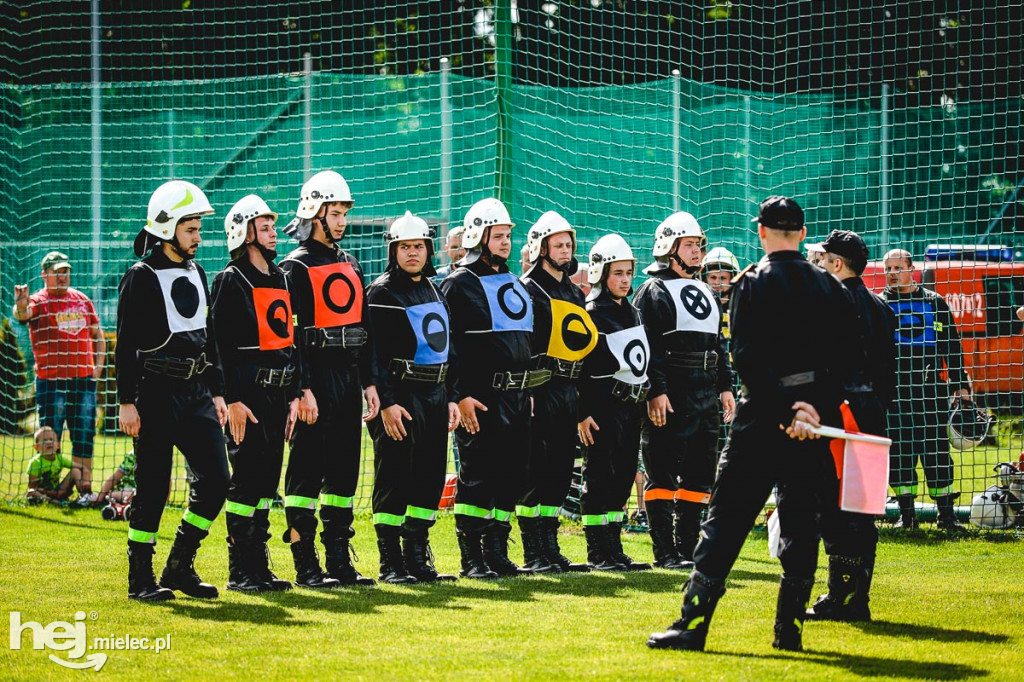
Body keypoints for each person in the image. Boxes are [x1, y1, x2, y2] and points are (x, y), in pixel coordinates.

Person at [647, 195, 863, 653]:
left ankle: (693, 625)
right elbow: (848, 361)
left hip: (761, 423)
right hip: (811, 428)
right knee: (802, 523)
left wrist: (788, 410)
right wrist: (812, 411)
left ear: (760, 232)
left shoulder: (751, 284)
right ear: (803, 234)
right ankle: (790, 630)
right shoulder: (830, 288)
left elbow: (747, 360)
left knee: (724, 523)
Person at [117, 180, 230, 602]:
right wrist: (126, 402)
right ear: (166, 228)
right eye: (191, 229)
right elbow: (125, 345)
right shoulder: (141, 277)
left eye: (199, 229)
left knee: (218, 480)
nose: (199, 237)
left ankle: (179, 565)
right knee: (152, 489)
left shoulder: (198, 272)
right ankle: (140, 579)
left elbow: (209, 338)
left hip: (196, 392)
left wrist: (217, 393)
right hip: (154, 394)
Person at [279, 170, 380, 588]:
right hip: (314, 379)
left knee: (343, 473)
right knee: (305, 472)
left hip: (347, 378)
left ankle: (339, 560)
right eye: (333, 213)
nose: (340, 221)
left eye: (343, 213)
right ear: (312, 213)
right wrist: (301, 389)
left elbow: (365, 328)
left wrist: (370, 384)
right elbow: (290, 336)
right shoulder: (293, 266)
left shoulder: (350, 263)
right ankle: (306, 564)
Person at [441, 197, 542, 579]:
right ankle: (472, 557)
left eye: (507, 236)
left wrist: (527, 388)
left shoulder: (513, 281)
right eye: (497, 236)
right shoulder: (458, 282)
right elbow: (451, 345)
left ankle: (497, 552)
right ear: (477, 236)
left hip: (517, 396)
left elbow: (521, 339)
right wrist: (460, 394)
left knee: (511, 476)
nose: (505, 243)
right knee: (478, 476)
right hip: (480, 397)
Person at [210, 194, 303, 593]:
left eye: (270, 227)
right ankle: (239, 568)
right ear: (244, 234)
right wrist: (230, 399)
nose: (272, 233)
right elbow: (218, 345)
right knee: (245, 482)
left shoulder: (280, 277)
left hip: (278, 396)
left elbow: (291, 339)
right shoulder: (231, 280)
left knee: (267, 483)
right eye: (263, 227)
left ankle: (259, 565)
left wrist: (295, 393)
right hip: (246, 397)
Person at [633, 212, 735, 570]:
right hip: (670, 392)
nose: (697, 252)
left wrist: (725, 386)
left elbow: (717, 344)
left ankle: (689, 547)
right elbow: (647, 348)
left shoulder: (707, 290)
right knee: (661, 470)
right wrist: (656, 391)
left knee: (699, 471)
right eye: (689, 245)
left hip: (704, 394)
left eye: (698, 245)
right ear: (668, 248)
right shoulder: (652, 291)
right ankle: (664, 550)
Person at [366, 211, 461, 583]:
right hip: (399, 397)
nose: (412, 253)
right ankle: (391, 562)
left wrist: (452, 396)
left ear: (428, 249)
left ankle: (417, 558)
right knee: (394, 478)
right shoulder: (380, 292)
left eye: (418, 246)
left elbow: (450, 349)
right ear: (393, 250)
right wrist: (387, 404)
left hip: (435, 396)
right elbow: (371, 354)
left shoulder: (436, 290)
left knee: (429, 477)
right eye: (404, 247)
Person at [808, 229, 896, 621]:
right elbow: (889, 374)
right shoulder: (882, 307)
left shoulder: (833, 303)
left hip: (841, 420)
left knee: (835, 508)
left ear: (837, 264)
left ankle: (839, 596)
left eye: (824, 259)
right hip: (874, 418)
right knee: (863, 510)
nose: (820, 265)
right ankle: (858, 598)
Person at [517, 211, 596, 573]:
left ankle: (551, 547)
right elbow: (523, 344)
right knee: (534, 469)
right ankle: (533, 551)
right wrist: (529, 387)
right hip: (539, 388)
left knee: (561, 469)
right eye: (558, 245)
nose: (565, 251)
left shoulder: (573, 291)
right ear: (540, 248)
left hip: (568, 389)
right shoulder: (527, 289)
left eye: (569, 245)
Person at [577, 234, 653, 571]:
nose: (624, 280)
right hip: (601, 408)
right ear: (600, 273)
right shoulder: (590, 313)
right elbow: (579, 368)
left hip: (630, 408)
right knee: (599, 476)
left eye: (628, 272)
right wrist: (581, 413)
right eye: (617, 273)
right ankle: (597, 551)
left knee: (623, 475)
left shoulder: (635, 313)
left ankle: (614, 547)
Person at [882, 249, 971, 531]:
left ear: (912, 269)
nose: (892, 273)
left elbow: (952, 347)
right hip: (893, 396)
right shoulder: (879, 304)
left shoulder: (935, 303)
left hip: (930, 392)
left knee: (936, 453)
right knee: (899, 456)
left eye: (897, 267)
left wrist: (961, 386)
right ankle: (906, 516)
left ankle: (946, 515)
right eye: (887, 268)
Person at [13, 251, 106, 503]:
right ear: (45, 275)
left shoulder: (82, 299)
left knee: (84, 433)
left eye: (66, 271)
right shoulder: (39, 301)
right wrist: (20, 303)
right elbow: (23, 314)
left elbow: (97, 336)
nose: (63, 276)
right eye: (57, 272)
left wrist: (97, 367)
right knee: (50, 435)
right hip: (51, 383)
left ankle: (84, 489)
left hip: (83, 381)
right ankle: (44, 489)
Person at [26, 425, 73, 502]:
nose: (49, 442)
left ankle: (84, 496)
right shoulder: (35, 462)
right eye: (44, 441)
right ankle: (53, 501)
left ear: (58, 445)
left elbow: (77, 467)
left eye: (51, 440)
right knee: (31, 492)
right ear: (36, 447)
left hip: (57, 491)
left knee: (75, 471)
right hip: (42, 493)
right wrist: (44, 492)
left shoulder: (59, 458)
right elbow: (32, 487)